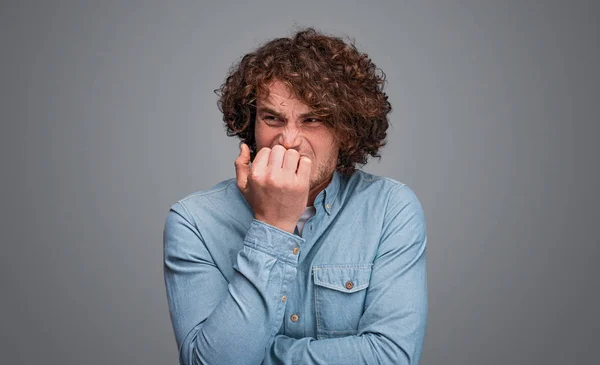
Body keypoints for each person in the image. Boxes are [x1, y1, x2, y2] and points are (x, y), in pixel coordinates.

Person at [163, 28, 428, 365]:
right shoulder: (194, 221)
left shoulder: (391, 209)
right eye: (272, 117)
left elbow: (391, 357)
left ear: (346, 131)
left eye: (312, 119)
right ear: (251, 122)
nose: (288, 140)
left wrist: (260, 358)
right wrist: (273, 225)